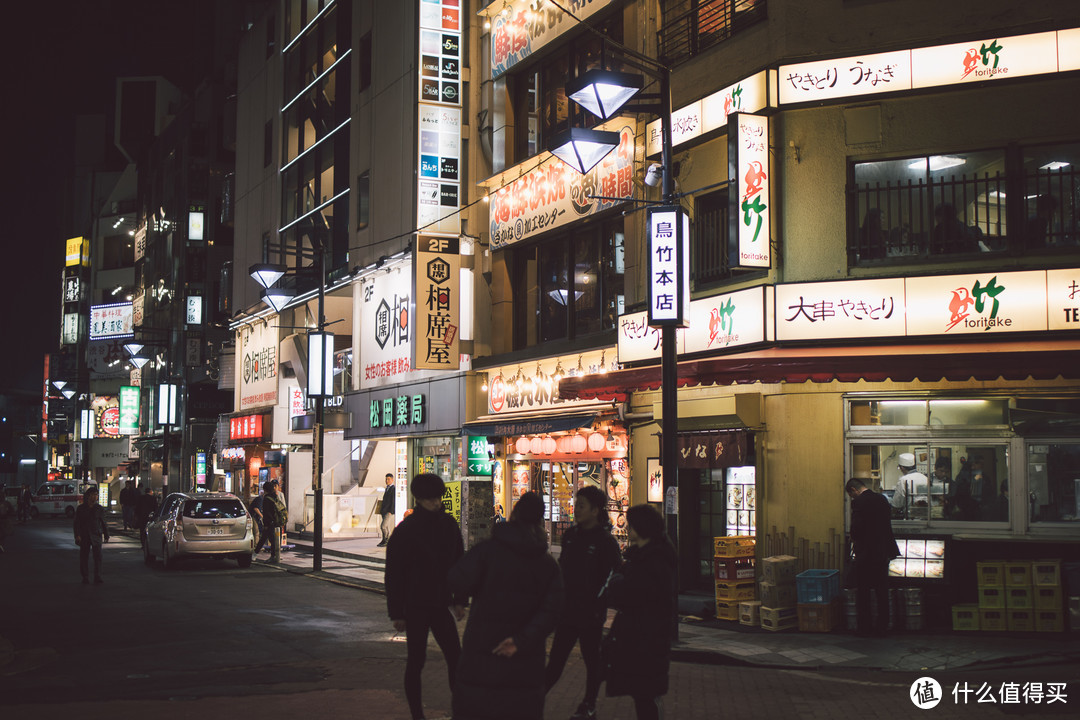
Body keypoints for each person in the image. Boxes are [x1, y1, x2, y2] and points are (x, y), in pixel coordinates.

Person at [449, 492, 563, 720]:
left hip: (483, 649)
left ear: (514, 514)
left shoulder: (487, 552)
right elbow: (552, 611)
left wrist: (461, 599)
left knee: (477, 709)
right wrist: (521, 640)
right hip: (525, 660)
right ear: (540, 521)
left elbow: (456, 578)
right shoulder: (547, 564)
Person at [384, 473, 465, 720]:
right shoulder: (407, 529)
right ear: (419, 499)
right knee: (417, 660)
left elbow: (459, 563)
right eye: (431, 499)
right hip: (417, 606)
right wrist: (397, 612)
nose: (436, 503)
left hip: (438, 604)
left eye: (438, 498)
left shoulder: (447, 525)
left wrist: (460, 599)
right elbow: (394, 573)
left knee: (455, 658)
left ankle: (459, 710)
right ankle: (417, 714)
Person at [545, 486, 622, 720]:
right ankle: (534, 698)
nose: (575, 510)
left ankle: (589, 704)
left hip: (590, 614)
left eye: (580, 506)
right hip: (567, 612)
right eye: (575, 505)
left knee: (592, 661)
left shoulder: (605, 542)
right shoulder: (570, 536)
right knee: (556, 660)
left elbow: (613, 577)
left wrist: (597, 602)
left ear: (595, 510)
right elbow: (562, 571)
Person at [602, 504, 676, 720]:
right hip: (639, 636)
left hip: (647, 636)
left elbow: (632, 593)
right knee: (642, 692)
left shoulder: (653, 560)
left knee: (646, 694)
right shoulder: (643, 557)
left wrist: (617, 584)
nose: (628, 529)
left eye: (631, 525)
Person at [845, 478, 900, 637]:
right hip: (882, 552)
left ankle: (865, 627)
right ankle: (883, 626)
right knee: (882, 590)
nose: (853, 498)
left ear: (854, 490)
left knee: (864, 591)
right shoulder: (881, 499)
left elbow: (856, 528)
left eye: (851, 495)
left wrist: (854, 540)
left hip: (866, 553)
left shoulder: (859, 503)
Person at [73, 488, 110, 583]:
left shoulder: (99, 508)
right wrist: (77, 535)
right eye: (93, 494)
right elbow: (77, 523)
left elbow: (103, 522)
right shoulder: (81, 508)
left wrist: (106, 534)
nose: (95, 497)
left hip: (96, 534)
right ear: (88, 495)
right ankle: (85, 576)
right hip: (84, 535)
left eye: (96, 495)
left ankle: (97, 576)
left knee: (98, 557)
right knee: (84, 556)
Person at [890, 453, 928, 519]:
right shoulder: (925, 478)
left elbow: (897, 504)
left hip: (911, 518)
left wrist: (891, 514)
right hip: (926, 517)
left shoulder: (904, 480)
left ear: (902, 468)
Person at [260, 480, 287, 562]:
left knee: (271, 539)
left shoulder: (268, 498)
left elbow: (267, 512)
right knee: (272, 539)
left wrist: (266, 524)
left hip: (272, 522)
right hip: (277, 520)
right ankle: (275, 556)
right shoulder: (275, 496)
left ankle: (274, 556)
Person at [378, 472, 396, 547]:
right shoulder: (387, 488)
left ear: (392, 480)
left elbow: (393, 501)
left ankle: (386, 539)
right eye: (386, 479)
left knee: (383, 526)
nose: (387, 481)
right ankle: (384, 539)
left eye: (388, 479)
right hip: (384, 510)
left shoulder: (393, 489)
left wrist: (390, 511)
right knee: (385, 526)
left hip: (388, 511)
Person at [249, 486, 266, 553]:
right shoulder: (260, 499)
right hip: (253, 516)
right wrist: (262, 516)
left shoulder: (262, 499)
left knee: (257, 531)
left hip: (255, 517)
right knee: (256, 532)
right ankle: (256, 546)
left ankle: (257, 546)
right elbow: (256, 509)